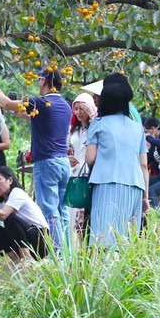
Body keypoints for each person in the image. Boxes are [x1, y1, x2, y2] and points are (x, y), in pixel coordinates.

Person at [0, 68, 73, 253]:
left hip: (47, 163)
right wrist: (24, 114)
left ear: (43, 81)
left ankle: (56, 253)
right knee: (63, 211)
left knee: (49, 211)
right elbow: (38, 118)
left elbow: (9, 103)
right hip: (64, 163)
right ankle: (68, 254)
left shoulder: (41, 101)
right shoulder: (65, 105)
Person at [84, 74, 148, 247]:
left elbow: (90, 158)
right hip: (134, 186)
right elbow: (143, 165)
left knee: (102, 238)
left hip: (106, 184)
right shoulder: (137, 127)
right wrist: (145, 198)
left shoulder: (98, 124)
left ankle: (104, 273)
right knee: (126, 240)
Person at [0, 167, 50, 261]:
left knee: (9, 218)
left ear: (10, 180)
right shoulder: (1, 198)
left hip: (40, 240)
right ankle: (17, 260)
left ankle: (27, 259)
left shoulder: (17, 192)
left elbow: (3, 215)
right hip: (26, 240)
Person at [67, 92, 96, 245]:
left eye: (82, 109)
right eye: (76, 109)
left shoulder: (95, 127)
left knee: (84, 213)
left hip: (89, 172)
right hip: (75, 172)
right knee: (74, 212)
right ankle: (75, 247)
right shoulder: (73, 130)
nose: (78, 112)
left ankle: (86, 246)